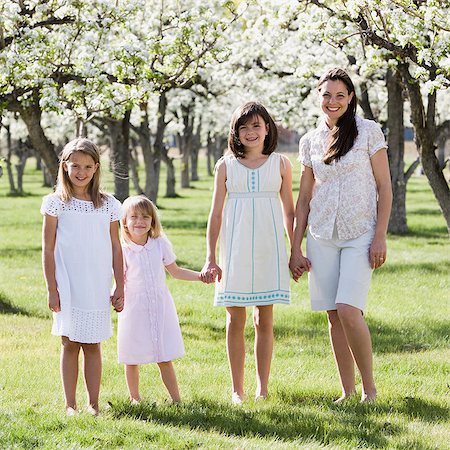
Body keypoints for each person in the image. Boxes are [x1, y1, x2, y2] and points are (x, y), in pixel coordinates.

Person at [289, 68, 392, 403]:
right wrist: (295, 247)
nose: (332, 101)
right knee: (333, 315)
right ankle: (346, 392)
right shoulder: (309, 141)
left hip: (360, 232)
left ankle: (369, 389)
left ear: (350, 99)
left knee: (349, 310)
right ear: (319, 97)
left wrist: (380, 236)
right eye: (326, 95)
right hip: (320, 236)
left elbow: (384, 187)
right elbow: (303, 199)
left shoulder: (368, 132)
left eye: (339, 95)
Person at [202, 101, 295, 404]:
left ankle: (262, 387)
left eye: (256, 125)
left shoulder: (280, 163)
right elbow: (215, 214)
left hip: (269, 247)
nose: (251, 132)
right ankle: (236, 389)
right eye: (244, 127)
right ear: (235, 132)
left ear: (268, 128)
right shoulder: (225, 165)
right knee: (234, 320)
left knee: (264, 320)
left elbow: (289, 212)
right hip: (236, 247)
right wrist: (211, 257)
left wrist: (296, 250)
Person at [41, 138, 124, 416]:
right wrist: (52, 288)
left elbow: (115, 246)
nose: (81, 172)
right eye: (75, 165)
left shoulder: (109, 204)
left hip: (96, 282)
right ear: (65, 166)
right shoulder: (55, 204)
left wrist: (119, 284)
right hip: (68, 282)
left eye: (88, 166)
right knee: (69, 341)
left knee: (92, 343)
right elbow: (48, 248)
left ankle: (93, 403)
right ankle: (70, 404)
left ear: (96, 168)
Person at [118, 195, 204, 404]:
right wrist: (115, 297)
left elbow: (175, 271)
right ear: (125, 222)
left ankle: (176, 400)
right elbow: (119, 279)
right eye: (134, 217)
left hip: (159, 305)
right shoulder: (122, 249)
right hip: (134, 307)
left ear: (152, 221)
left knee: (164, 355)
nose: (140, 221)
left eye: (145, 217)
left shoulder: (159, 244)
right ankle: (135, 398)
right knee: (132, 355)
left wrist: (200, 277)